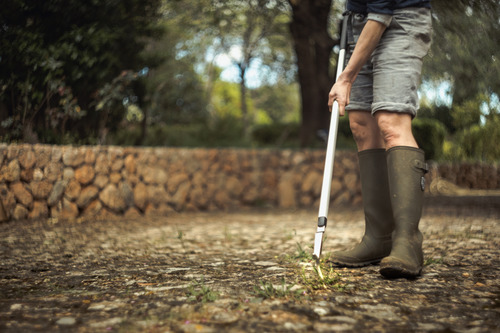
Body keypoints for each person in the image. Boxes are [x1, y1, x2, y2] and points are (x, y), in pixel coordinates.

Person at [328, 0, 432, 278]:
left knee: (390, 119)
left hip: (400, 20)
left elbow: (382, 11)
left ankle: (407, 241)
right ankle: (379, 237)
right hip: (359, 24)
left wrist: (346, 76)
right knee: (361, 124)